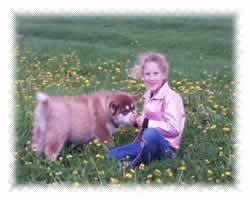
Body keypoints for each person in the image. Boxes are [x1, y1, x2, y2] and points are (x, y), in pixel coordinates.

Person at [107, 52, 186, 168]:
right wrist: (137, 121)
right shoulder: (148, 95)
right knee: (109, 156)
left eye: (156, 74)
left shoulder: (172, 97)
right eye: (147, 74)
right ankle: (145, 157)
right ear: (143, 76)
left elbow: (174, 128)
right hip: (144, 144)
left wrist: (147, 123)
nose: (151, 78)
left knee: (150, 133)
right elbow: (145, 121)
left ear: (164, 75)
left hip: (166, 148)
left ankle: (134, 165)